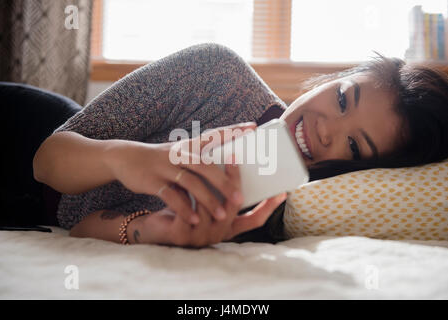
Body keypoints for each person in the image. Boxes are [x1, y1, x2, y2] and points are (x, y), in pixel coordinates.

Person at [32, 43, 448, 247]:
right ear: (332, 77)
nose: (326, 131)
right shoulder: (215, 73)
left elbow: (79, 226)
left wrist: (154, 231)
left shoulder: (277, 216)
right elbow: (46, 162)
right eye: (342, 98)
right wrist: (128, 158)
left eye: (355, 147)